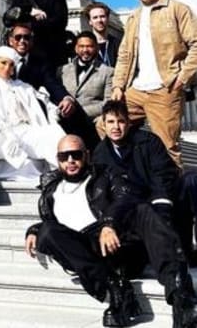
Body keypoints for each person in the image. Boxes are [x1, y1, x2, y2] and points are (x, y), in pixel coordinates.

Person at [25, 134, 197, 328]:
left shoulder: (104, 174)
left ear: (87, 155)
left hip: (117, 245)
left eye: (76, 155)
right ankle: (117, 292)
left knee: (143, 210)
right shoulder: (51, 191)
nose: (71, 161)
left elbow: (125, 197)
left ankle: (181, 296)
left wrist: (109, 224)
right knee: (47, 233)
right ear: (58, 160)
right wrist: (34, 229)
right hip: (86, 252)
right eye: (65, 157)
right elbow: (50, 225)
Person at [93, 99, 197, 265]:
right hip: (130, 208)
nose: (116, 127)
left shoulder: (149, 141)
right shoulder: (100, 154)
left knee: (191, 180)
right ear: (103, 125)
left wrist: (160, 204)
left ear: (128, 123)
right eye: (111, 122)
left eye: (120, 121)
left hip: (160, 199)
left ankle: (186, 250)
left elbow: (163, 175)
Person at [112, 0, 197, 167]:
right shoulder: (134, 18)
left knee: (167, 147)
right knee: (104, 126)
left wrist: (182, 78)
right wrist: (118, 86)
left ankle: (173, 196)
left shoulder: (177, 9)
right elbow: (124, 55)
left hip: (165, 88)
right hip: (136, 90)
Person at [0, 46, 64, 204]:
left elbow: (43, 103)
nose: (7, 68)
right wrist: (8, 135)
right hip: (0, 134)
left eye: (11, 64)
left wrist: (55, 110)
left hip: (24, 132)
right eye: (3, 63)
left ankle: (68, 176)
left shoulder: (23, 87)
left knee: (53, 132)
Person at [7, 0, 68, 69]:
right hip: (27, 53)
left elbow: (60, 21)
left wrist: (28, 24)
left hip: (50, 53)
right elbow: (8, 19)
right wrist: (29, 11)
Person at [59, 31, 113, 148]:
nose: (85, 50)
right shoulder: (62, 70)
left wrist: (78, 111)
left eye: (89, 46)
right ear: (76, 48)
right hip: (63, 122)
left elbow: (108, 103)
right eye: (81, 46)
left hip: (90, 123)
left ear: (97, 47)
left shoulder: (108, 72)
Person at [84, 1, 121, 67]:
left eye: (102, 16)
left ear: (107, 19)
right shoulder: (84, 47)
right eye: (95, 17)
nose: (99, 20)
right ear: (90, 22)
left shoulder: (119, 44)